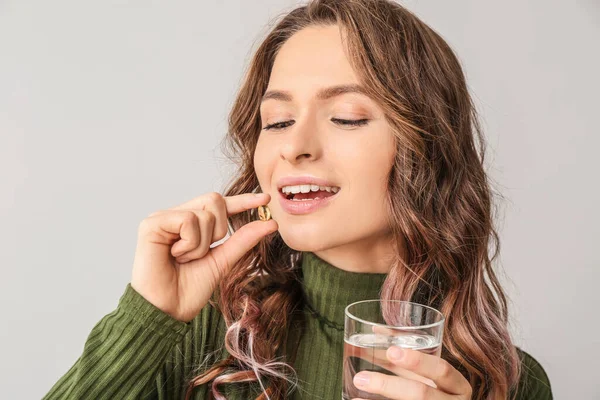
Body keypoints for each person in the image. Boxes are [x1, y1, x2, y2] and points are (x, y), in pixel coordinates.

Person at [43, 0, 553, 399]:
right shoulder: (205, 339)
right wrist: (149, 318)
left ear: (427, 148)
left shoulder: (510, 383)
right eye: (277, 122)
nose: (294, 145)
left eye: (347, 117)